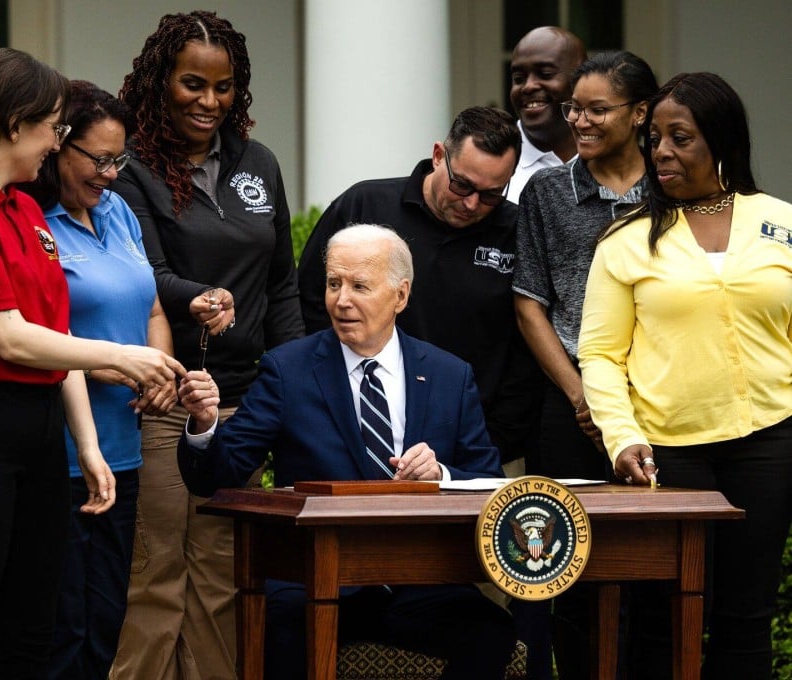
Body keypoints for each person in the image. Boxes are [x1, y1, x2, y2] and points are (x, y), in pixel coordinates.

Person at [0, 48, 183, 679]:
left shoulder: (25, 210)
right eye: (52, 127)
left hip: (37, 430)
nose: (55, 142)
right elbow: (10, 338)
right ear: (13, 124)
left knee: (35, 627)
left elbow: (55, 333)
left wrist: (85, 445)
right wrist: (124, 356)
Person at [177, 224, 515, 680]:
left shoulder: (449, 375)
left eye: (359, 286)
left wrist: (441, 473)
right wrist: (203, 424)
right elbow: (219, 474)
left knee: (490, 630)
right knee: (282, 624)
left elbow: (487, 477)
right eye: (334, 284)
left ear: (400, 295)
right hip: (314, 576)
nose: (341, 300)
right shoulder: (289, 369)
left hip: (417, 580)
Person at [579, 72, 792, 680]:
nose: (662, 152)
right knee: (659, 618)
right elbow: (599, 355)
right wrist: (622, 439)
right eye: (655, 139)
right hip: (667, 453)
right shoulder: (625, 240)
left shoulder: (780, 222)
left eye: (681, 138)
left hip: (770, 442)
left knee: (746, 615)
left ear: (721, 140)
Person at [112, 11, 304, 680]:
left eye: (224, 88)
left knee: (223, 576)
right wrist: (196, 295)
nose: (209, 102)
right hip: (166, 397)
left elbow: (281, 282)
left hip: (240, 407)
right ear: (160, 81)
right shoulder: (131, 165)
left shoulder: (259, 163)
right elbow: (144, 272)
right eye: (193, 84)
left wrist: (293, 381)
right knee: (159, 570)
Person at [17, 80, 176, 679]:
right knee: (63, 629)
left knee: (107, 621)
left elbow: (153, 308)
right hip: (60, 454)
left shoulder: (118, 210)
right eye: (99, 159)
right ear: (58, 147)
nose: (111, 173)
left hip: (125, 448)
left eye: (120, 158)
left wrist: (156, 372)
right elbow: (38, 334)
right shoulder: (34, 223)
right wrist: (117, 363)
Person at [512, 50, 658, 679]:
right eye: (576, 108)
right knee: (568, 571)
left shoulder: (676, 185)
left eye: (598, 109)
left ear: (640, 113)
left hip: (660, 404)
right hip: (570, 406)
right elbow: (529, 303)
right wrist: (582, 396)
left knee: (655, 574)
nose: (580, 121)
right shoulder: (548, 190)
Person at [298, 106, 541, 475]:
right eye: (461, 185)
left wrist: (493, 440)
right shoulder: (367, 204)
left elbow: (526, 342)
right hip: (355, 429)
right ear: (439, 156)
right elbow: (311, 305)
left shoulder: (516, 229)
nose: (472, 203)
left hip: (477, 445)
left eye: (492, 194)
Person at [505, 26, 587, 203]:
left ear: (582, 80)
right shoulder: (495, 164)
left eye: (545, 74)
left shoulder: (608, 156)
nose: (528, 86)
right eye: (519, 79)